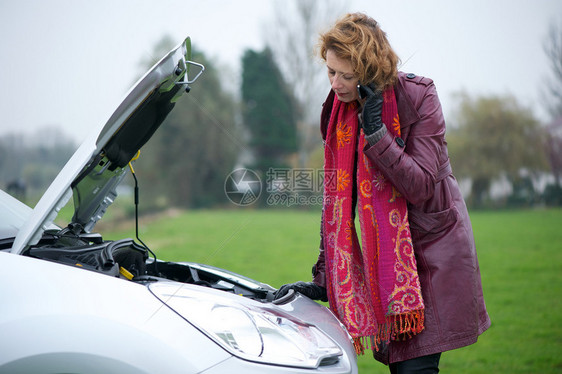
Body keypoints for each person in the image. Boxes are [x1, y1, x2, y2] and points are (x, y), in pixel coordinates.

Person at [274, 12, 491, 373]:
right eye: (330, 71)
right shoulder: (336, 110)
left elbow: (421, 186)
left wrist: (376, 133)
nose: (337, 83)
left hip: (430, 258)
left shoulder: (420, 98)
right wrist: (324, 280)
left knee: (413, 369)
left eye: (348, 75)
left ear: (370, 70)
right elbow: (338, 204)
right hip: (384, 267)